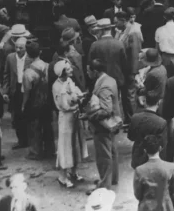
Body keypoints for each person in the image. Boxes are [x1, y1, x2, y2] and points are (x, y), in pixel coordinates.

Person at [85, 58, 122, 190]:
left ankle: (104, 184)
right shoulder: (110, 79)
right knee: (111, 151)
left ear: (95, 71)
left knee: (103, 155)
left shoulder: (103, 85)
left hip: (103, 125)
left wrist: (89, 115)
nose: (87, 73)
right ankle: (112, 179)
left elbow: (106, 109)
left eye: (89, 71)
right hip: (112, 123)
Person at [52, 60, 88, 188]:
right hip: (66, 118)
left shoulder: (70, 82)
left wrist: (80, 98)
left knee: (76, 144)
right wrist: (76, 100)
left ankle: (74, 171)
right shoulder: (57, 86)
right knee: (65, 145)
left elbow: (77, 95)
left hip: (75, 116)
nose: (71, 70)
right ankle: (63, 176)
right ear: (62, 72)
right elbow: (63, 105)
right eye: (68, 69)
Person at [22, 41, 54, 161]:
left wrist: (23, 105)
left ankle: (36, 152)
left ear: (28, 54)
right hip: (47, 100)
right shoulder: (48, 66)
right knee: (47, 126)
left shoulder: (28, 72)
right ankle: (50, 150)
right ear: (40, 52)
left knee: (34, 127)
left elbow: (27, 91)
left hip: (34, 102)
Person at [129, 91, 167, 169]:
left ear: (145, 101)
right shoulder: (161, 122)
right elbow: (163, 144)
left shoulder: (135, 117)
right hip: (154, 159)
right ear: (158, 103)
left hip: (138, 156)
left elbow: (131, 137)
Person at [3, 36, 29, 149]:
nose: (18, 50)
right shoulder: (10, 58)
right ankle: (21, 141)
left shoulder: (30, 58)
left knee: (28, 115)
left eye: (21, 48)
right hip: (16, 89)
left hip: (27, 89)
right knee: (17, 117)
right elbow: (6, 75)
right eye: (16, 47)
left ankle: (31, 140)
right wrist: (5, 91)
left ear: (26, 48)